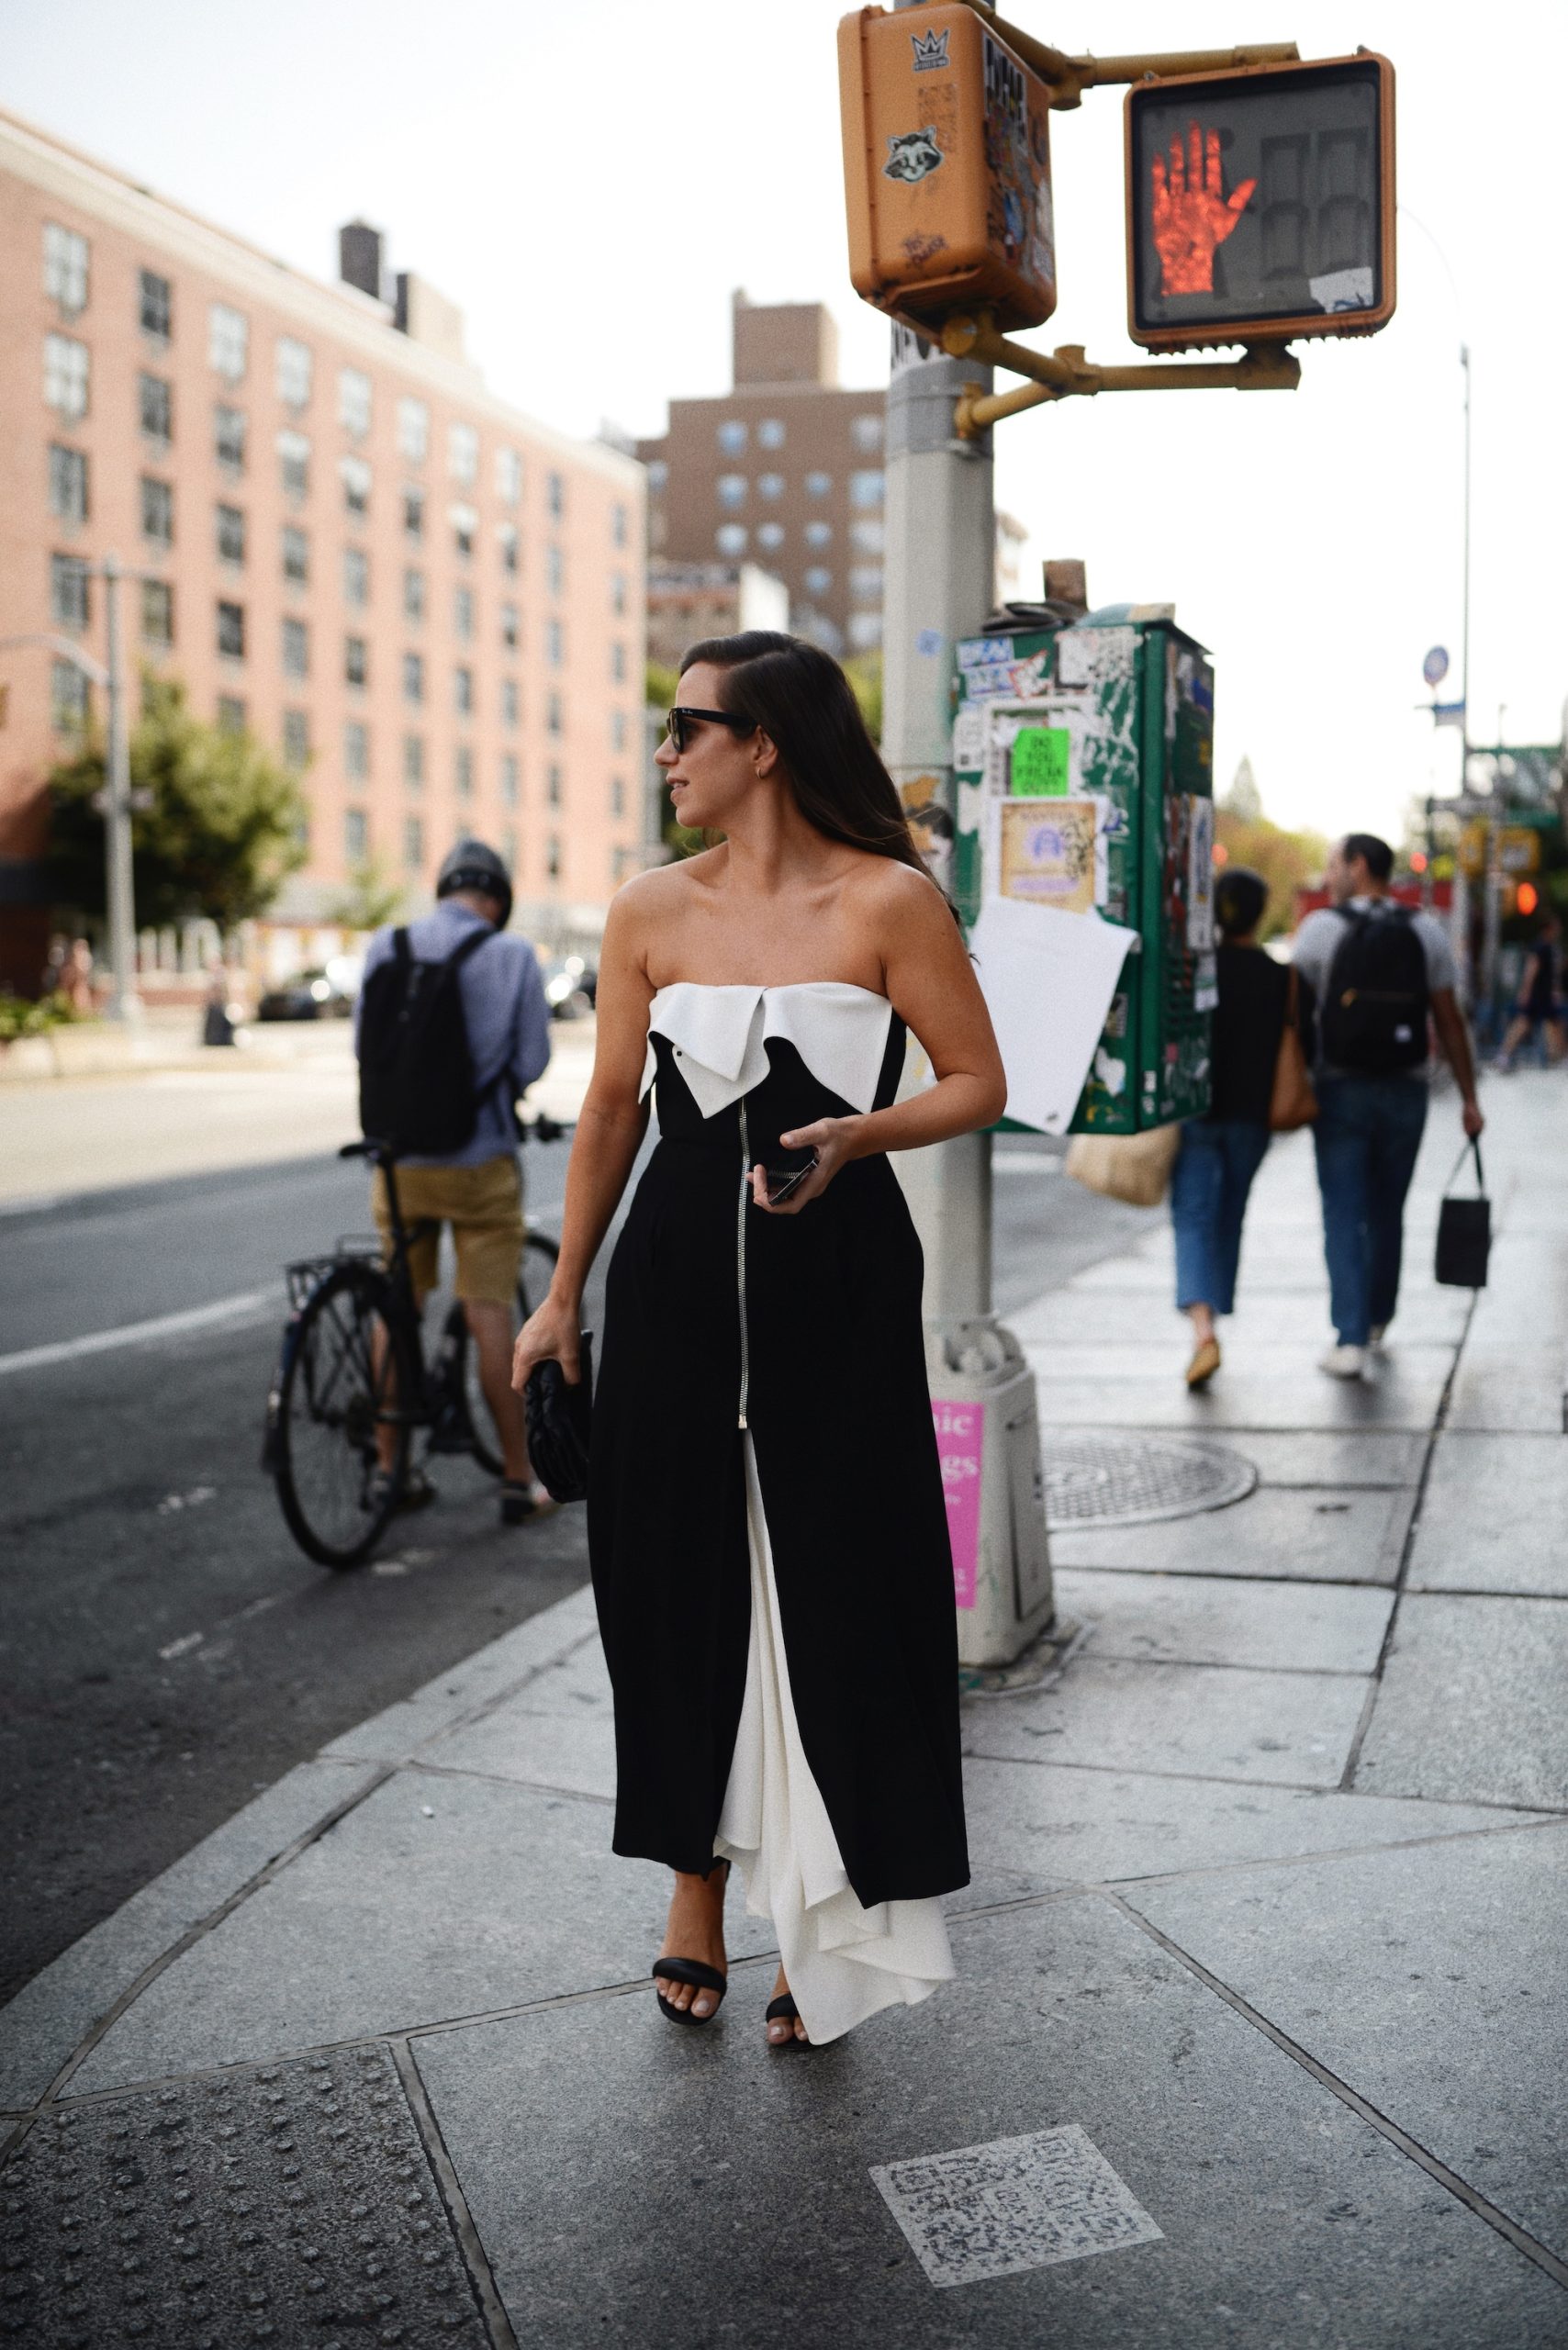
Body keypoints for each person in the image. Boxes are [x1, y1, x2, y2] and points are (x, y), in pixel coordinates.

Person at [510, 632, 1006, 2049]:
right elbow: (610, 1108)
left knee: (834, 1589)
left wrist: (866, 1132)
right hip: (671, 1286)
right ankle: (692, 1897)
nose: (667, 751)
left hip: (836, 1279)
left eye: (687, 726)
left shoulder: (890, 901)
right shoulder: (645, 911)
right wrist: (563, 1297)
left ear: (765, 743)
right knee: (673, 1584)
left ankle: (824, 1916)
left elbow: (978, 1079)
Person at [355, 838, 552, 1522]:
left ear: (442, 889)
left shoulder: (388, 945)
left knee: (397, 1303)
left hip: (400, 1162)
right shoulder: (512, 956)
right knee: (487, 1309)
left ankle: (389, 1471)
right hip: (479, 1162)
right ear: (497, 901)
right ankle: (517, 1481)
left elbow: (365, 1049)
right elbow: (530, 1063)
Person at [1293, 833, 1484, 1379]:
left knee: (1343, 1211)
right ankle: (1377, 1319)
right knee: (1386, 1210)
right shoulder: (1425, 930)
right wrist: (1469, 1099)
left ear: (1358, 866)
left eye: (1334, 865)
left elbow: (1294, 1018)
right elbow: (1449, 1020)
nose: (1330, 877)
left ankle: (1348, 1339)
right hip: (1406, 1091)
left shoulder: (1320, 931)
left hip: (1339, 1089)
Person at [1169, 866, 1291, 1387]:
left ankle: (1203, 1332)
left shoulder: (1196, 968)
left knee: (1194, 1217)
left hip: (1198, 1111)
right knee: (1229, 1216)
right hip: (1252, 1118)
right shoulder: (1281, 976)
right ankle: (1215, 1312)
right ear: (1260, 914)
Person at [1496, 912, 1562, 1070]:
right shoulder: (1541, 947)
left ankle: (1557, 1055)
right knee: (1525, 1023)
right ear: (1548, 929)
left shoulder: (1548, 947)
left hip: (1543, 994)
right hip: (1538, 995)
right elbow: (1531, 969)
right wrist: (1525, 991)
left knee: (1551, 1024)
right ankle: (1504, 1055)